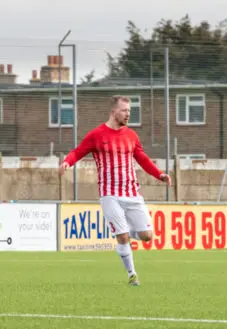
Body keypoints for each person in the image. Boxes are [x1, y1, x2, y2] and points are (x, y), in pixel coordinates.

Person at [59, 95, 171, 287]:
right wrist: (67, 162)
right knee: (123, 237)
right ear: (113, 112)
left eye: (129, 110)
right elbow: (78, 151)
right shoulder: (96, 135)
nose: (128, 114)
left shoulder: (131, 135)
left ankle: (125, 233)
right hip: (109, 194)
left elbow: (142, 158)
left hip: (132, 193)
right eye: (124, 110)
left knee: (147, 236)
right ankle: (132, 274)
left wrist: (159, 175)